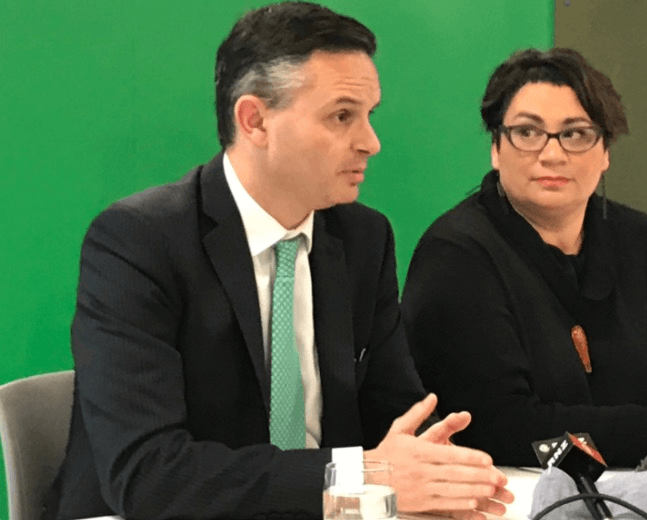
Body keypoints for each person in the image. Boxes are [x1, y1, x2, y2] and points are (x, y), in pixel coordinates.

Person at [44, 3, 513, 519]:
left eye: (369, 115)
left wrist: (438, 469)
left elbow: (395, 411)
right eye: (342, 116)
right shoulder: (139, 241)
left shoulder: (362, 238)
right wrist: (357, 477)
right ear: (255, 120)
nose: (371, 142)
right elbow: (149, 475)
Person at [400, 48, 647, 468]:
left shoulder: (644, 243)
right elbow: (495, 426)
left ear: (605, 152)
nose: (552, 154)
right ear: (496, 148)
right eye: (527, 132)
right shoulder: (456, 255)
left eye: (575, 134)